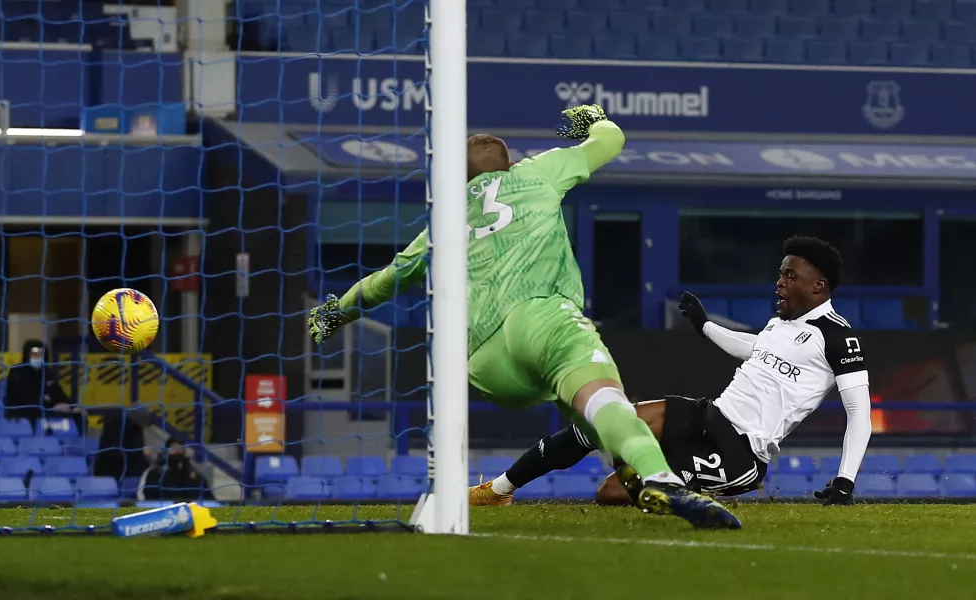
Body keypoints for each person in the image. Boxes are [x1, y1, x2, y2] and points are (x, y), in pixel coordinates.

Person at [309, 105, 741, 529]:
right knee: (605, 400)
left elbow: (386, 281)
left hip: (486, 365)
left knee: (580, 410)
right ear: (509, 164)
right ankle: (661, 480)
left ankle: (584, 474)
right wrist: (592, 118)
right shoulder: (535, 173)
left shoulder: (442, 221)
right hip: (542, 316)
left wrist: (335, 314)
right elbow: (612, 140)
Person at [473, 236, 872, 508]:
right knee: (598, 424)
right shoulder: (779, 325)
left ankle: (673, 484)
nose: (779, 282)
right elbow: (752, 348)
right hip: (707, 414)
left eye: (790, 276)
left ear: (818, 286)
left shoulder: (838, 337)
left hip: (740, 454)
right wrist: (705, 325)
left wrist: (845, 480)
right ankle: (500, 489)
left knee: (610, 494)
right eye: (781, 273)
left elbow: (860, 412)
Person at [3, 339, 82, 433]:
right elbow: (24, 398)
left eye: (41, 354)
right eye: (35, 354)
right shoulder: (16, 372)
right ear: (27, 355)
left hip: (47, 411)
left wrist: (71, 407)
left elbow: (58, 393)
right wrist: (50, 405)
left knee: (78, 415)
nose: (38, 357)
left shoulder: (48, 373)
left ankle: (77, 444)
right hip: (24, 413)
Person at [138, 438, 212, 501]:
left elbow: (207, 496)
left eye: (180, 448)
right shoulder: (154, 471)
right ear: (166, 451)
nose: (177, 450)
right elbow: (144, 496)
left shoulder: (194, 472)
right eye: (173, 448)